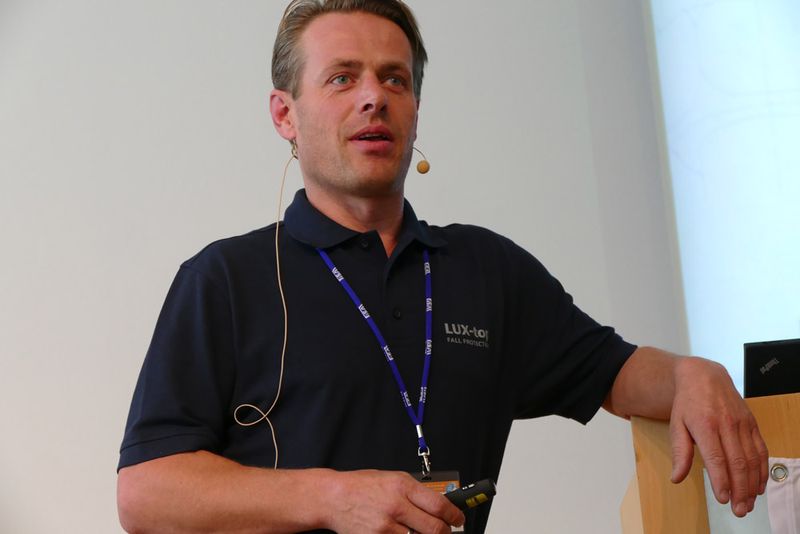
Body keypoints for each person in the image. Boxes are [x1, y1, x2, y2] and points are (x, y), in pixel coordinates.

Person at [116, 1, 769, 533]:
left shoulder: (485, 269)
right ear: (285, 114)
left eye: (394, 79)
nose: (374, 98)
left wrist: (690, 373)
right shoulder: (225, 280)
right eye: (342, 78)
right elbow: (146, 492)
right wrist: (332, 498)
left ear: (415, 111)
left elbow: (617, 373)